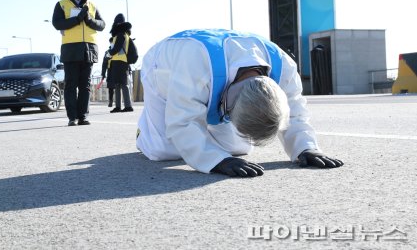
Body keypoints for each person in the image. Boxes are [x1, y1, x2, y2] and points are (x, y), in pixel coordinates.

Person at [136, 29, 344, 177]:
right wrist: (216, 161)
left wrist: (306, 148)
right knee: (164, 151)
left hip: (208, 76)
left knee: (238, 149)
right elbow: (182, 121)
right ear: (228, 103)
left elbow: (295, 113)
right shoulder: (196, 64)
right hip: (163, 67)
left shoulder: (285, 67)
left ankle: (207, 140)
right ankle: (145, 132)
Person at [52, 0, 105, 126]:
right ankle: (72, 117)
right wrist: (77, 19)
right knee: (71, 85)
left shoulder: (91, 5)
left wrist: (88, 19)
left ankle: (83, 116)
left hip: (89, 48)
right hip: (70, 49)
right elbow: (58, 24)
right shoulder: (61, 4)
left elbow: (102, 25)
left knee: (85, 85)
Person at [108, 13, 133, 113]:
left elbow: (117, 47)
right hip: (120, 61)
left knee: (122, 84)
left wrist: (110, 53)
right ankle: (118, 106)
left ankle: (128, 106)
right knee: (118, 84)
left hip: (120, 61)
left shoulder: (121, 34)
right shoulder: (125, 34)